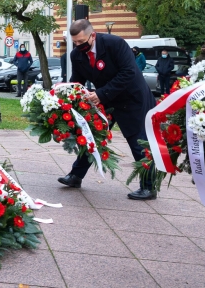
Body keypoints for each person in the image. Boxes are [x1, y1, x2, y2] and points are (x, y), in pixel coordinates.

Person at [58, 20, 157, 200]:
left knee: (138, 141)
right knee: (92, 137)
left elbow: (128, 72)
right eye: (75, 43)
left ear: (92, 35)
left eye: (82, 42)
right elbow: (77, 81)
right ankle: (75, 176)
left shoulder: (115, 44)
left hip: (132, 99)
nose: (79, 46)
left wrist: (102, 93)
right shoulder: (76, 55)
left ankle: (149, 186)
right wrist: (66, 96)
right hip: (106, 101)